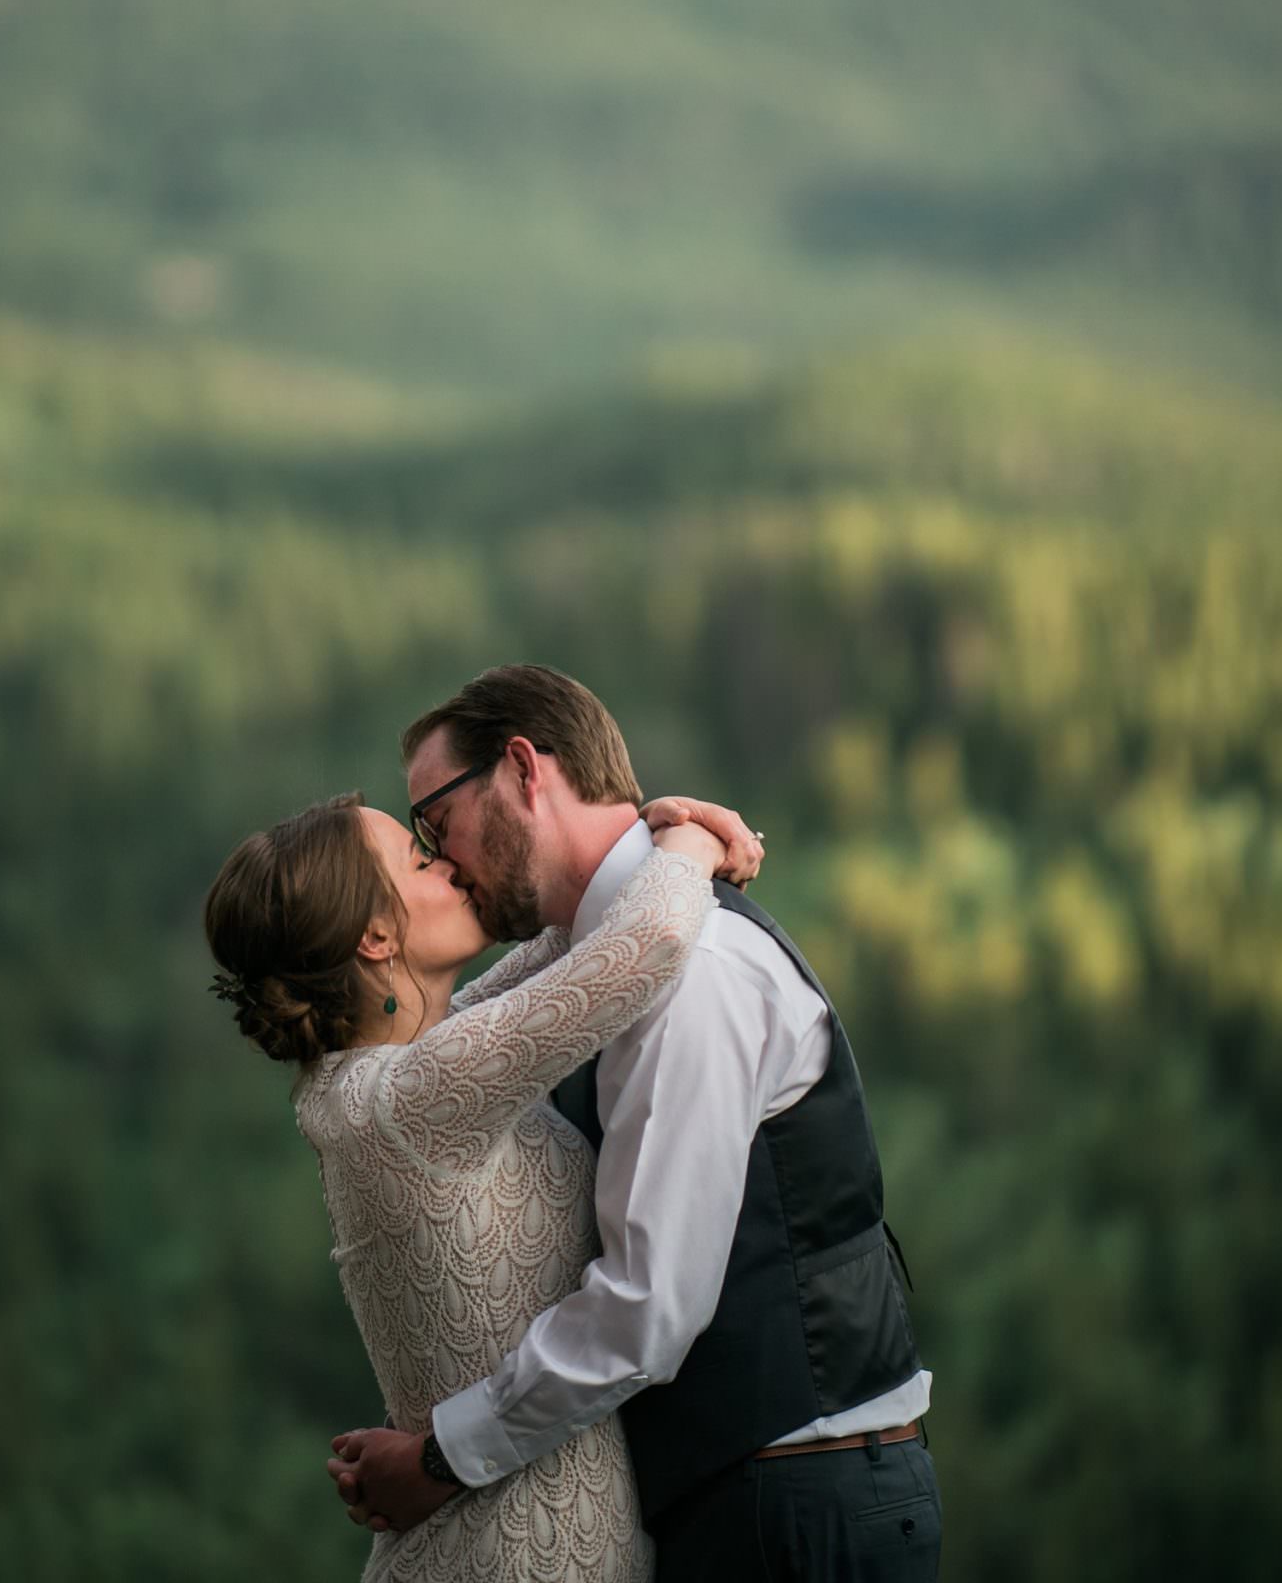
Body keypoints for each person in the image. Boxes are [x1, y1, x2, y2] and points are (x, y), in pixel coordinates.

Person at [329, 664, 940, 1582]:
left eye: (435, 821)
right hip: (759, 1496)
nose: (441, 857)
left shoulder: (686, 970)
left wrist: (440, 1459)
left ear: (524, 769)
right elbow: (443, 1049)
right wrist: (675, 839)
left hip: (791, 1504)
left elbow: (650, 1305)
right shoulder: (606, 955)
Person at [204, 766, 762, 1579]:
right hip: (506, 1555)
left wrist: (644, 837)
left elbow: (567, 946)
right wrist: (686, 841)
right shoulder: (409, 1096)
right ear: (375, 938)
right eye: (418, 862)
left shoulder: (403, 1072)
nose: (448, 865)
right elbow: (645, 947)